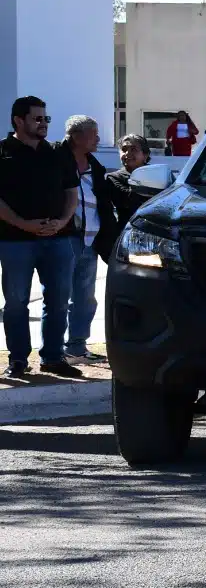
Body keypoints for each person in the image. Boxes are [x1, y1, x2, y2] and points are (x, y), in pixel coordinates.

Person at [0, 97, 81, 378]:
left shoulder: (58, 152)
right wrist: (24, 224)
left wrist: (61, 222)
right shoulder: (3, 151)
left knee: (59, 300)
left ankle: (53, 357)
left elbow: (72, 193)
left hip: (58, 239)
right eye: (37, 119)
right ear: (18, 121)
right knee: (16, 302)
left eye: (46, 119)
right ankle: (19, 360)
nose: (44, 124)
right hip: (15, 241)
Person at [60, 115, 124, 360]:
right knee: (57, 297)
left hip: (90, 241)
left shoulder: (95, 167)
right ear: (76, 136)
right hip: (64, 239)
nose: (98, 139)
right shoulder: (57, 161)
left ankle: (76, 347)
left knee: (84, 297)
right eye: (93, 134)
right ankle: (53, 352)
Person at [105, 134, 154, 226]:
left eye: (133, 149)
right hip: (128, 231)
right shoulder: (113, 178)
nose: (127, 153)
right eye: (124, 150)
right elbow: (128, 201)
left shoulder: (160, 174)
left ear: (145, 155)